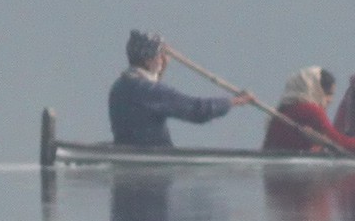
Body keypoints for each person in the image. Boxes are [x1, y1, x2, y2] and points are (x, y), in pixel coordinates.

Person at [108, 30, 253, 147]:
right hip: (154, 160)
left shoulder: (120, 86)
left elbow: (150, 97)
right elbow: (197, 111)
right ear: (148, 60)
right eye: (160, 56)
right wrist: (236, 101)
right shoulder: (149, 92)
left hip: (128, 148)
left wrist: (162, 68)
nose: (163, 59)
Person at [262, 67, 355, 155]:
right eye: (328, 94)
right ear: (316, 90)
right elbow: (337, 141)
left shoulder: (285, 109)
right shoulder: (309, 109)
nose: (330, 100)